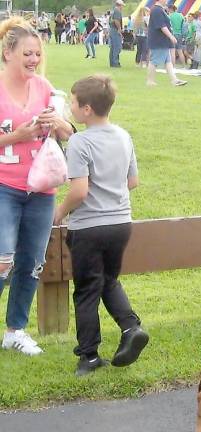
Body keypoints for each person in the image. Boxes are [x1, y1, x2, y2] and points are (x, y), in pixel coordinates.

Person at [53, 75, 148, 376]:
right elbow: (132, 181)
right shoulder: (123, 135)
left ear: (87, 109)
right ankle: (131, 328)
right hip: (121, 222)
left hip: (89, 227)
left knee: (86, 290)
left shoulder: (80, 142)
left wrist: (60, 212)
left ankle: (89, 355)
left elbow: (79, 191)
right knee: (109, 280)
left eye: (73, 102)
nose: (70, 106)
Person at [0, 17, 74, 355]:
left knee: (31, 262)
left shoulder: (45, 88)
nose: (33, 60)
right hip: (5, 187)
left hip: (42, 189)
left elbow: (68, 131)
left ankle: (16, 330)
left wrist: (60, 124)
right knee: (3, 261)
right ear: (8, 53)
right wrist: (19, 136)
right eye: (27, 54)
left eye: (37, 54)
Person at [146, 0, 187, 87]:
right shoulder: (157, 10)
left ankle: (174, 80)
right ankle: (150, 81)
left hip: (162, 40)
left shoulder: (159, 9)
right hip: (158, 41)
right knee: (154, 61)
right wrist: (171, 36)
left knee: (168, 62)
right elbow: (162, 26)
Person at [109, 0, 124, 68]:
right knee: (117, 47)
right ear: (119, 5)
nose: (122, 7)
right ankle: (115, 63)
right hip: (115, 30)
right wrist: (119, 29)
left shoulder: (113, 11)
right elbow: (116, 20)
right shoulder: (117, 11)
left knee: (113, 47)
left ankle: (112, 62)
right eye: (122, 6)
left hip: (112, 29)